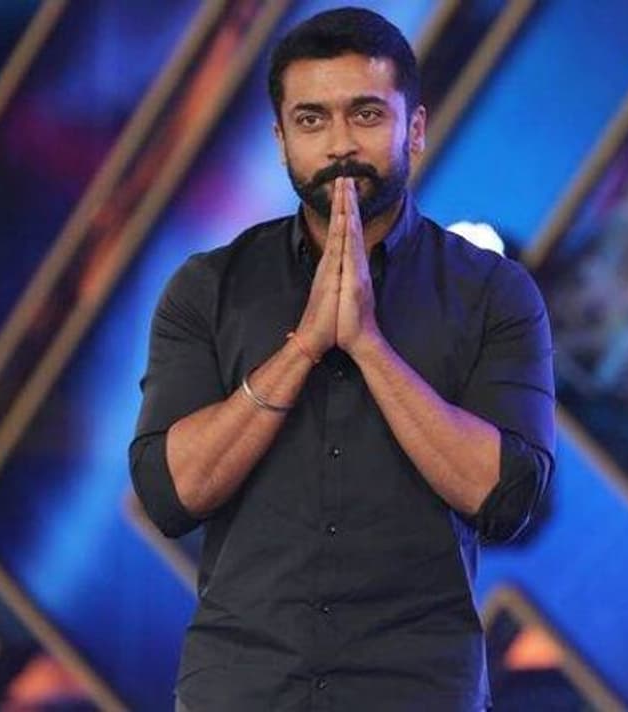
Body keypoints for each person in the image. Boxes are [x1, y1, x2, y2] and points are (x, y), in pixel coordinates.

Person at [129, 7, 555, 711]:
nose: (339, 144)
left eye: (366, 114)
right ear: (281, 139)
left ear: (414, 128)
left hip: (415, 690)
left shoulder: (493, 294)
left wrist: (367, 345)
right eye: (311, 120)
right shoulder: (209, 286)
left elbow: (506, 498)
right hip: (243, 687)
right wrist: (302, 348)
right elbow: (170, 494)